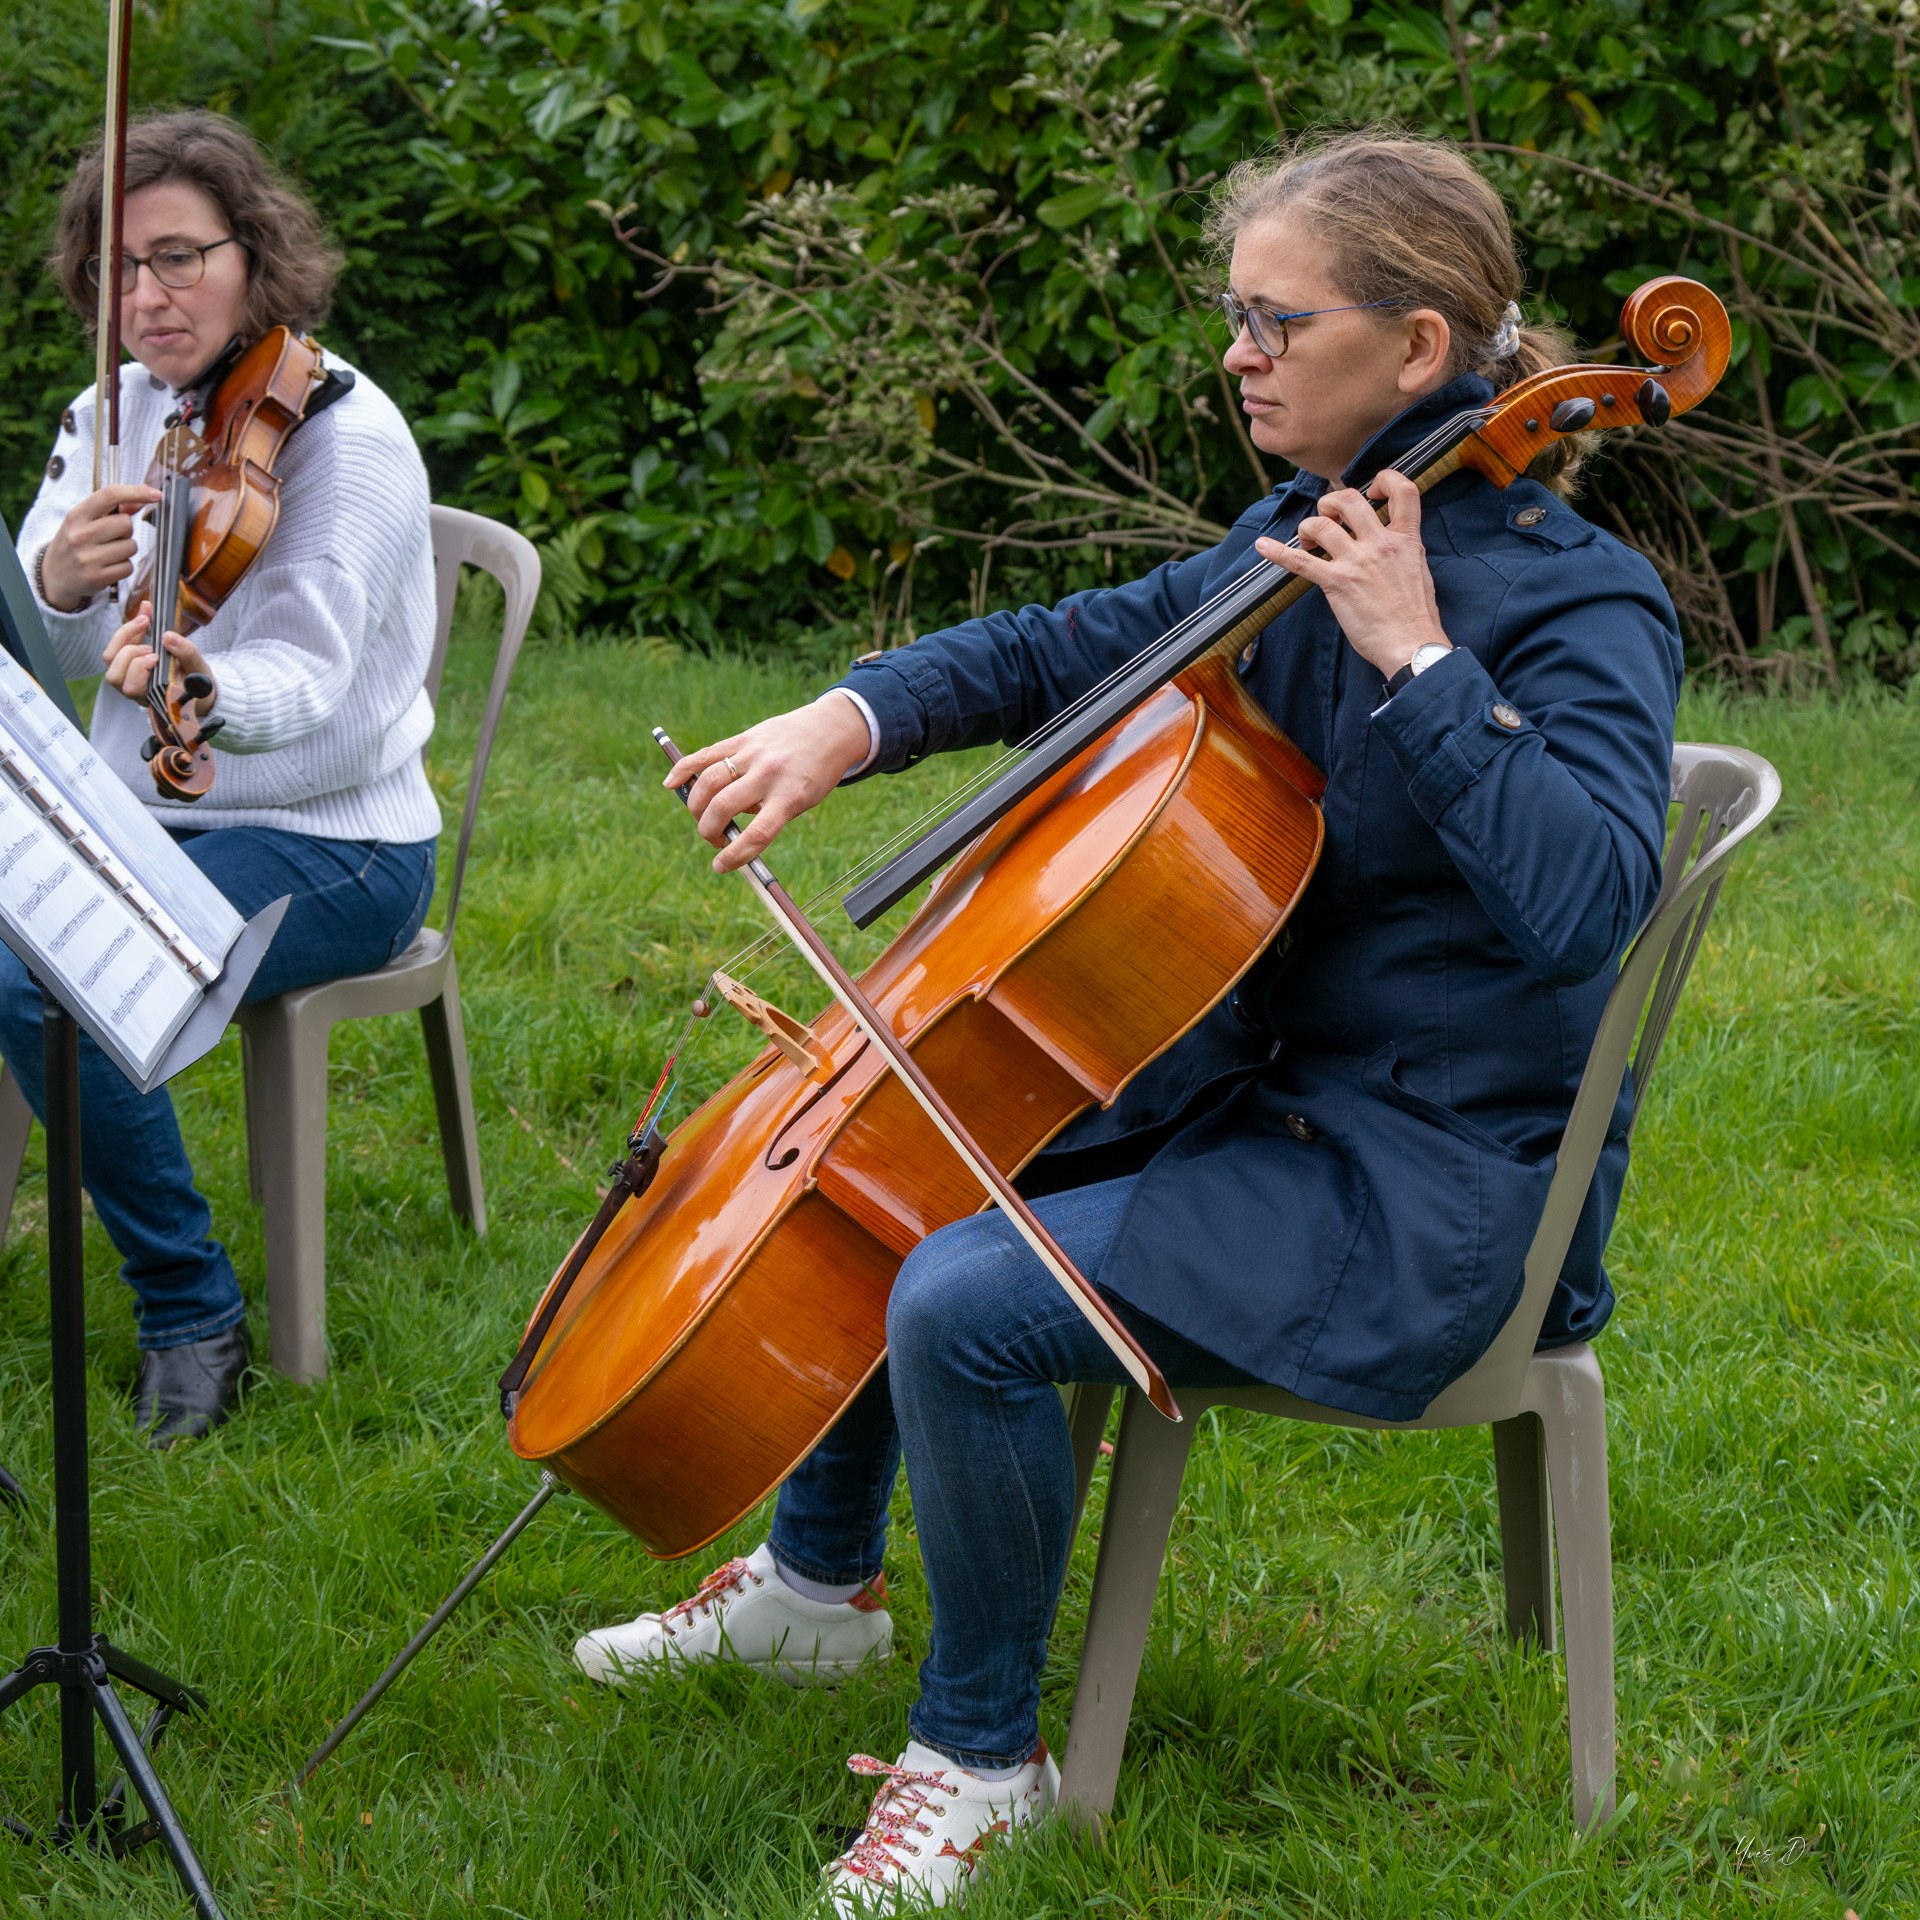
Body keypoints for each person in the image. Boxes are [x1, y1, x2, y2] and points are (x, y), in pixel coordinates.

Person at [581, 133, 1682, 1912]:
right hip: (1262, 1098)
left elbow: (1584, 914)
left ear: (1419, 349)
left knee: (966, 1297)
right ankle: (811, 1594)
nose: (1237, 353)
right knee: (921, 1150)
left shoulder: (1577, 600)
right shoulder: (1290, 540)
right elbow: (1068, 645)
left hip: (1437, 1179)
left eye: (1276, 319)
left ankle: (977, 1761)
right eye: (1232, 316)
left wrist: (1419, 661)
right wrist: (842, 724)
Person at [10, 112, 440, 1448]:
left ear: (255, 256)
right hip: (135, 820)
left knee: (48, 976)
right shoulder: (110, 410)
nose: (145, 297)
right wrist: (60, 584)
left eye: (180, 258)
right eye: (119, 266)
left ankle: (189, 1307)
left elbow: (309, 682)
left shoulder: (346, 439)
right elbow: (56, 640)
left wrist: (204, 690)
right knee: (31, 955)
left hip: (337, 841)